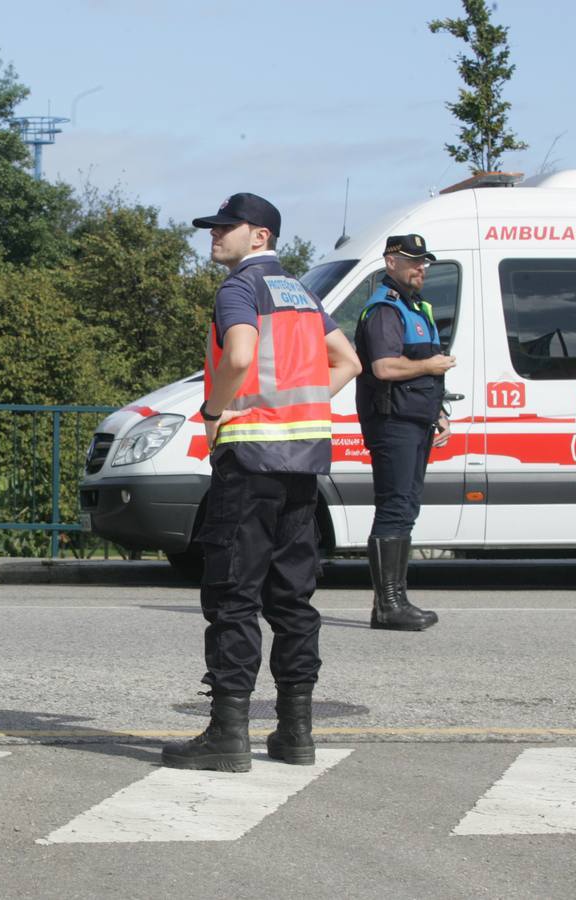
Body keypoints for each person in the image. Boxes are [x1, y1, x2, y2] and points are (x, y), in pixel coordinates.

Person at [162, 193, 361, 772]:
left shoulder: (239, 289)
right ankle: (296, 733)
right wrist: (298, 405)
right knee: (292, 599)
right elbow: (346, 361)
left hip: (249, 461)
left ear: (260, 236)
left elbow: (241, 355)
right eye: (213, 227)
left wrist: (215, 409)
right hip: (303, 465)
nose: (214, 235)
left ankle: (228, 735)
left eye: (227, 227)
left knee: (233, 596)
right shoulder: (301, 293)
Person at [353, 234, 456, 631]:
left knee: (407, 506)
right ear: (390, 262)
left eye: (424, 262)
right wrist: (431, 368)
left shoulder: (418, 308)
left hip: (415, 419)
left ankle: (396, 600)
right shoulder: (384, 309)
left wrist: (439, 409)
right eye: (413, 261)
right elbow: (384, 368)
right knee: (395, 506)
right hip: (392, 421)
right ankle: (388, 605)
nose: (421, 268)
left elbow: (423, 365)